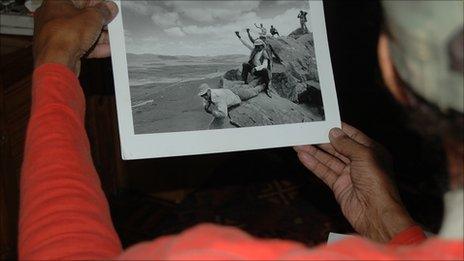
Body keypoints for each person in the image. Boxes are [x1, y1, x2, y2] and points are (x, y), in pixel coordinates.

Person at [19, 0, 463, 260]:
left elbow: (65, 248)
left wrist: (54, 57)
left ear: (393, 68)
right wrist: (400, 234)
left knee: (228, 96)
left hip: (256, 89)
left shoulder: (213, 251)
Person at [235, 33, 272, 97]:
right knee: (245, 65)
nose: (257, 47)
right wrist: (239, 37)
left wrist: (255, 69)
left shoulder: (264, 53)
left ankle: (267, 88)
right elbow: (246, 44)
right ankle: (244, 81)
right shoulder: (254, 51)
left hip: (260, 71)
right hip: (254, 70)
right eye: (256, 46)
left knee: (265, 70)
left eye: (259, 46)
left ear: (262, 46)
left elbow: (264, 65)